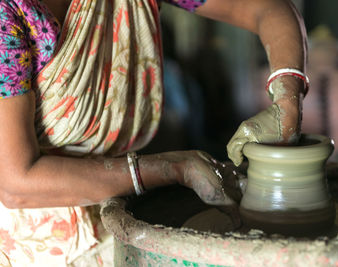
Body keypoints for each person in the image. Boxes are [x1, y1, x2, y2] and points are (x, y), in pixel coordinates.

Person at [0, 0, 307, 266]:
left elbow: (266, 8)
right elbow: (16, 183)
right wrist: (173, 168)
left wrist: (286, 99)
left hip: (118, 212)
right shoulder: (10, 14)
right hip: (31, 243)